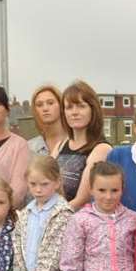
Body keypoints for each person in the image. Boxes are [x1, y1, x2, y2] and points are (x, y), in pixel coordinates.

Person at [13, 155, 74, 271]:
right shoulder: (25, 213)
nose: (38, 190)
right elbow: (18, 253)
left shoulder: (63, 214)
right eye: (33, 184)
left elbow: (54, 260)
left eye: (44, 184)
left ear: (57, 182)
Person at [56, 80, 112, 208]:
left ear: (93, 110)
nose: (74, 112)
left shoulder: (101, 149)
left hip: (78, 220)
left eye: (81, 106)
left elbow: (81, 200)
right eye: (69, 107)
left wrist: (51, 219)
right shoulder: (60, 145)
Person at [27, 84, 66, 157]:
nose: (45, 108)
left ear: (61, 105)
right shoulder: (29, 148)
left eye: (50, 103)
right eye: (39, 105)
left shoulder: (77, 143)